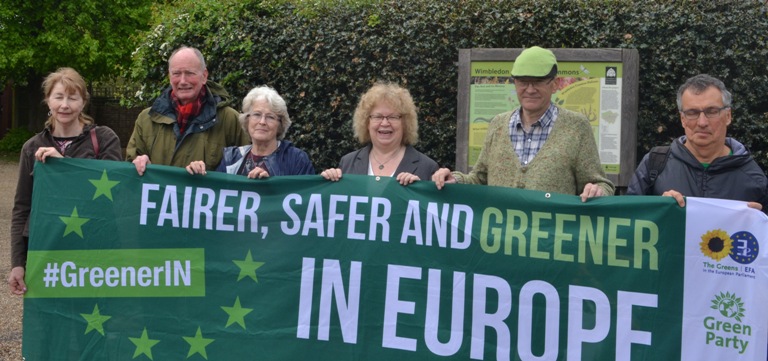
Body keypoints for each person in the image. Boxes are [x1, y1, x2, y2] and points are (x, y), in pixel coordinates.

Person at [431, 46, 614, 200]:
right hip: (499, 239)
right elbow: (479, 178)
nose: (530, 90)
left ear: (555, 84)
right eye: (523, 82)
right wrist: (454, 179)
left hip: (550, 239)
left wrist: (597, 191)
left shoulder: (576, 127)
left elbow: (601, 184)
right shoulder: (498, 124)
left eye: (538, 82)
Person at [8, 67, 122, 295]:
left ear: (83, 101)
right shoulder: (31, 147)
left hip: (92, 245)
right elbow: (21, 208)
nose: (65, 105)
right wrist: (18, 262)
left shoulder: (105, 139)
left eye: (72, 97)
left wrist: (64, 165)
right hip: (45, 247)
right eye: (58, 97)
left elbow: (116, 193)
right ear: (48, 100)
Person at [626, 74, 768, 211]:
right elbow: (629, 219)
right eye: (692, 113)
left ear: (728, 116)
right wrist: (659, 209)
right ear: (682, 119)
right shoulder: (655, 164)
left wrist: (759, 222)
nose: (702, 122)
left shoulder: (753, 177)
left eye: (711, 111)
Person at [125, 46, 249, 175]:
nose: (183, 81)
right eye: (177, 74)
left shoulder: (230, 120)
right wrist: (137, 162)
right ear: (169, 76)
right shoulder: (146, 119)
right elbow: (129, 174)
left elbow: (246, 169)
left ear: (204, 76)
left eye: (190, 73)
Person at [320, 82, 439, 185]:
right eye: (378, 116)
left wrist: (418, 191)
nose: (385, 123)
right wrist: (327, 184)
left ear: (405, 123)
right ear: (367, 122)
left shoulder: (427, 167)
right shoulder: (347, 163)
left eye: (393, 117)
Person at [185, 85, 314, 177]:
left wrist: (331, 179)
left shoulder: (296, 159)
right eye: (257, 114)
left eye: (270, 117)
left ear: (280, 125)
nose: (262, 122)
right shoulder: (231, 159)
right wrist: (198, 175)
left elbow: (308, 199)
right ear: (247, 120)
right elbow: (215, 196)